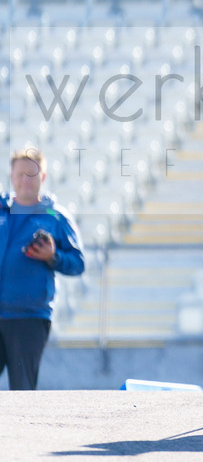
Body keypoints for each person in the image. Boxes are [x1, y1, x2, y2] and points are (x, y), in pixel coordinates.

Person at [0, 146, 86, 390]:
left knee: (22, 389)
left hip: (29, 317)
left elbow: (78, 263)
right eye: (19, 174)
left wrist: (53, 256)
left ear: (43, 177)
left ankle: (18, 431)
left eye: (31, 174)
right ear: (11, 176)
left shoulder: (55, 217)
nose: (24, 180)